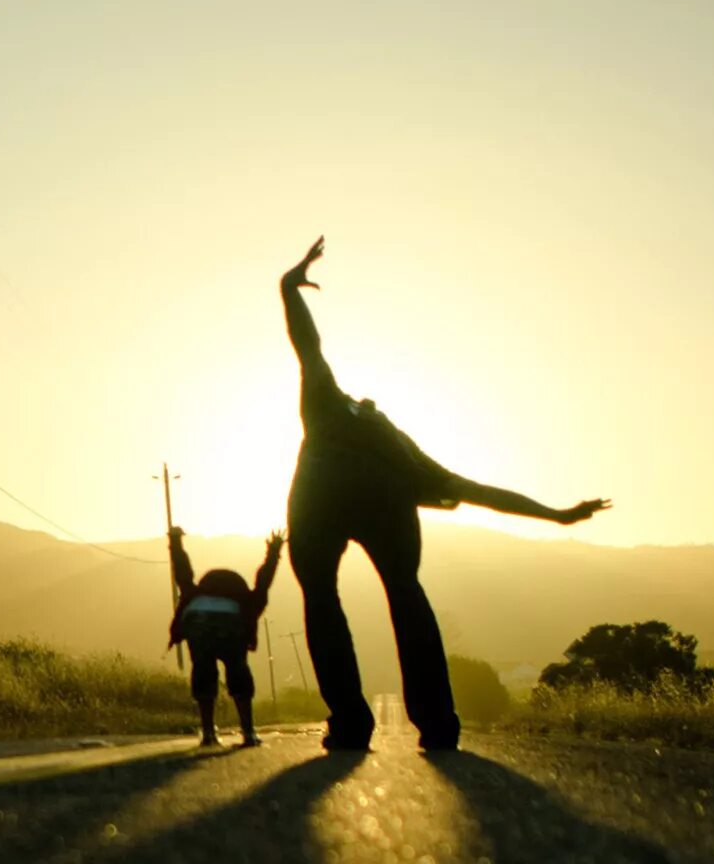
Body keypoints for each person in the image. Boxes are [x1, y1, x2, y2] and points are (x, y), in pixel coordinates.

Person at [279, 236, 609, 752]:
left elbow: (308, 344)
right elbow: (480, 492)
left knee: (322, 599)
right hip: (385, 494)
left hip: (320, 491)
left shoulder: (327, 405)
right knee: (406, 594)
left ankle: (350, 721)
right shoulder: (403, 453)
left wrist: (289, 288)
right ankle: (437, 723)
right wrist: (558, 516)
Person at [167, 524, 284, 748]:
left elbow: (182, 572)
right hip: (231, 624)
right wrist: (274, 551)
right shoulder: (248, 599)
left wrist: (175, 542)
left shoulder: (197, 592)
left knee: (203, 671)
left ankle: (209, 733)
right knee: (238, 672)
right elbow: (264, 579)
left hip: (197, 620)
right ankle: (248, 733)